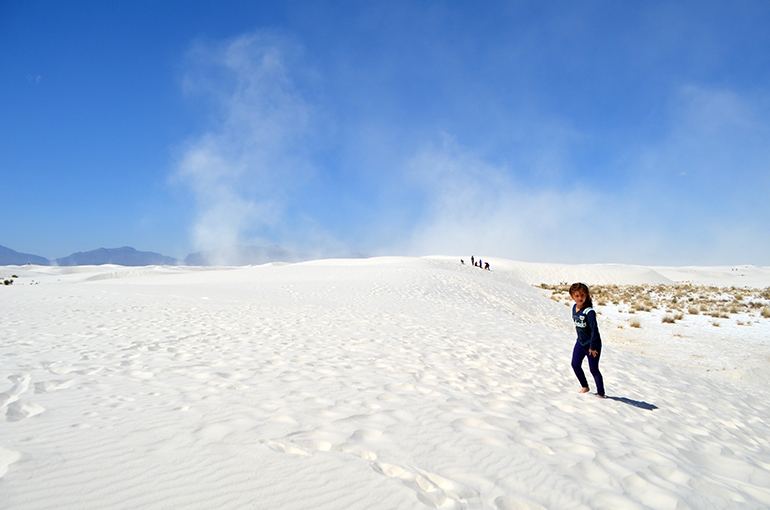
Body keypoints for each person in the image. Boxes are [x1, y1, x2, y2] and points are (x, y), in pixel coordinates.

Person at [569, 282, 605, 398]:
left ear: (587, 295)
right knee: (575, 364)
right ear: (572, 297)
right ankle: (585, 386)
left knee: (594, 369)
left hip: (592, 345)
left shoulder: (589, 312)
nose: (580, 298)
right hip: (580, 343)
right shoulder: (574, 308)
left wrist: (593, 347)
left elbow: (595, 330)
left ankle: (601, 393)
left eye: (583, 295)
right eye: (577, 296)